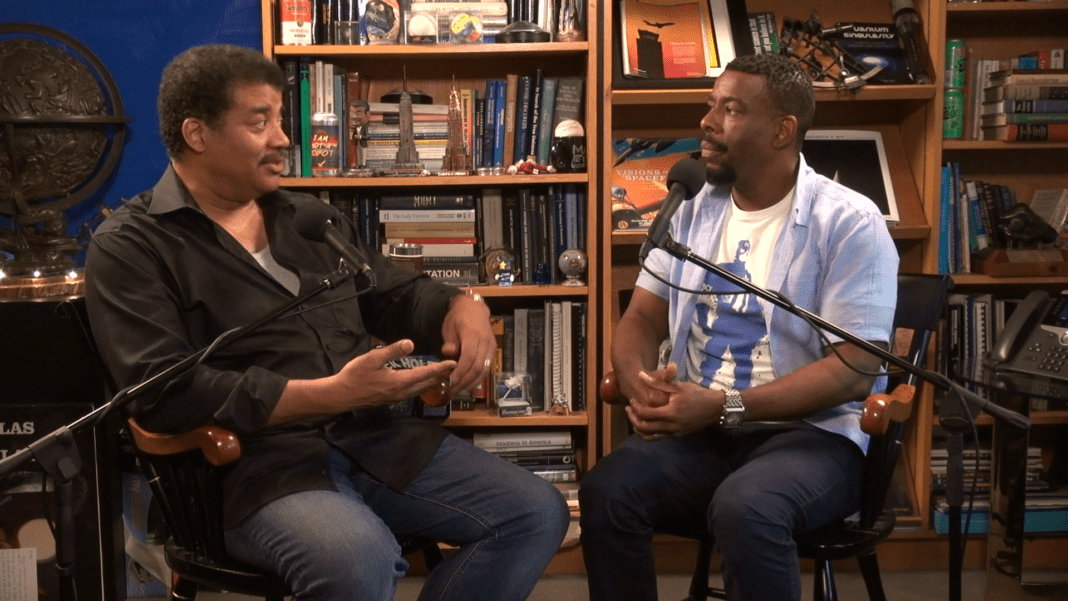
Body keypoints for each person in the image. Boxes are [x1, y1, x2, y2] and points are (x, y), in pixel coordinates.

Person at [86, 44, 568, 601]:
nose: (282, 140)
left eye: (280, 120)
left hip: (375, 438)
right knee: (357, 561)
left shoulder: (308, 218)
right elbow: (160, 389)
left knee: (536, 512)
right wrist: (328, 394)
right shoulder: (131, 245)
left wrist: (463, 305)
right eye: (259, 123)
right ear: (197, 134)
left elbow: (391, 292)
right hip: (253, 466)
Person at [579, 53, 899, 601]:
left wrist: (725, 405)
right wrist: (640, 385)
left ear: (782, 130)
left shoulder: (849, 221)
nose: (706, 122)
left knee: (746, 508)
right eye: (711, 106)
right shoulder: (689, 208)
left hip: (814, 437)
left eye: (730, 110)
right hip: (705, 433)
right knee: (608, 489)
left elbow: (855, 370)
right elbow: (642, 316)